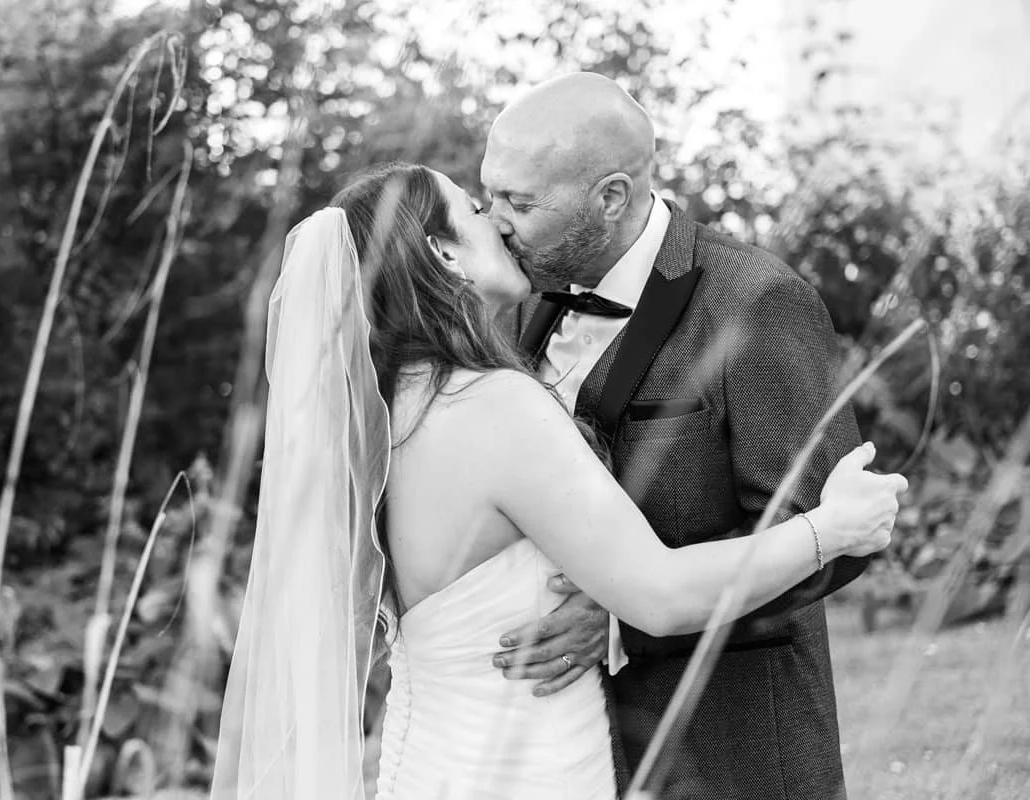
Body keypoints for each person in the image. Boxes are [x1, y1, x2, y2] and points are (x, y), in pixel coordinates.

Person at [209, 160, 906, 800]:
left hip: (428, 765)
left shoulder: (378, 426)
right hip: (527, 771)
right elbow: (660, 597)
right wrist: (830, 528)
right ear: (443, 254)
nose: (497, 219)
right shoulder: (491, 406)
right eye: (475, 210)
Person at [483, 72, 871, 798]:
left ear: (611, 197)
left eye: (520, 202)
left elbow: (829, 538)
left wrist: (629, 619)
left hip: (729, 747)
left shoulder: (757, 301)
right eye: (490, 193)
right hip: (566, 749)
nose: (493, 219)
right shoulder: (516, 303)